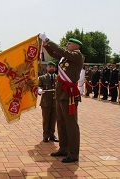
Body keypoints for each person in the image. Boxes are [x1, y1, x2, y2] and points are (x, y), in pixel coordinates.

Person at [39, 33, 84, 163]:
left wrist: (48, 40)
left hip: (69, 94)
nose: (67, 45)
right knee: (61, 122)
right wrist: (46, 46)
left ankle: (73, 153)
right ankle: (63, 148)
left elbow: (62, 51)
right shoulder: (65, 58)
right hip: (60, 93)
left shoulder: (77, 56)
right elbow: (54, 54)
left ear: (76, 46)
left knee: (71, 124)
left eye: (69, 43)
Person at [38, 61, 59, 143]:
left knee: (53, 119)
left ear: (55, 68)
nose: (51, 68)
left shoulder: (58, 78)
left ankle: (52, 135)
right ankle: (45, 135)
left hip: (55, 102)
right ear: (46, 68)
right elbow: (39, 86)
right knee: (46, 119)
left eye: (53, 67)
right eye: (50, 67)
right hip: (46, 102)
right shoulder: (42, 78)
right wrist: (39, 90)